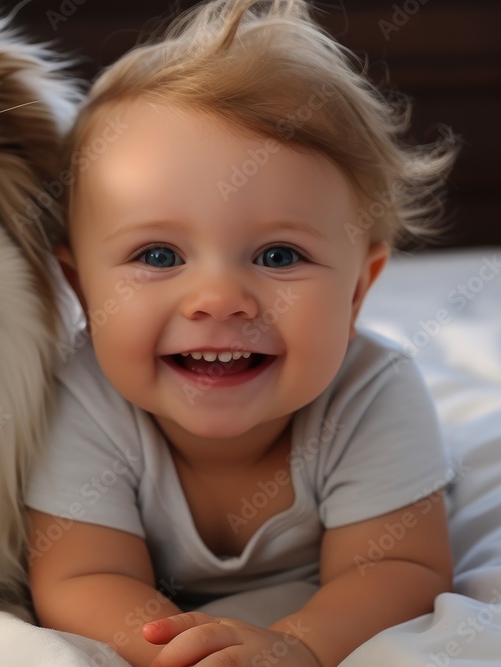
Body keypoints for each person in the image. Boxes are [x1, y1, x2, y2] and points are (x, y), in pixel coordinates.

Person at [25, 1, 459, 665]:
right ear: (80, 287)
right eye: (159, 256)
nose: (218, 300)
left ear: (358, 290)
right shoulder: (79, 399)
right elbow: (81, 577)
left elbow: (400, 567)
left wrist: (296, 644)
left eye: (279, 256)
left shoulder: (372, 395)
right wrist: (183, 651)